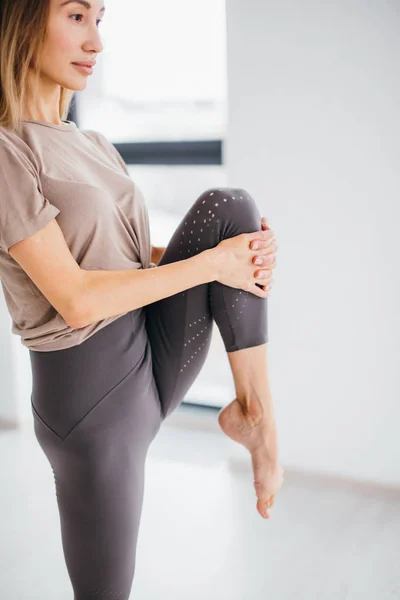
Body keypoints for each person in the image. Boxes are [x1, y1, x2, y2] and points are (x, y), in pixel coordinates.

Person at [0, 0, 284, 597]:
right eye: (77, 17)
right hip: (91, 405)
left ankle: (254, 417)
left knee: (230, 210)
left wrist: (235, 258)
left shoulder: (93, 142)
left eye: (99, 21)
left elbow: (127, 261)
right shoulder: (7, 152)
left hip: (146, 353)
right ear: (22, 20)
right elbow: (75, 298)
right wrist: (212, 265)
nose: (96, 43)